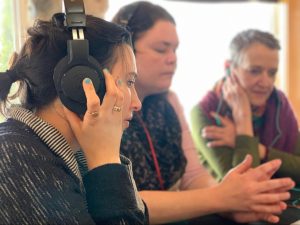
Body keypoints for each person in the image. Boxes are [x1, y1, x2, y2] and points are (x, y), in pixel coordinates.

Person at [75, 2, 298, 225]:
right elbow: (124, 200)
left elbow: (194, 177)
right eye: (162, 49)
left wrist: (231, 199)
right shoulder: (99, 109)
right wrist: (222, 198)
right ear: (126, 51)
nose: (173, 58)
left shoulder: (169, 101)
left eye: (175, 50)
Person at [0, 12, 148, 224]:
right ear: (82, 84)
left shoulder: (70, 154)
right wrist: (105, 161)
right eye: (130, 82)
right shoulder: (15, 158)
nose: (137, 103)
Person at [190, 29, 300, 185]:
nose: (266, 82)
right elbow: (244, 185)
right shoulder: (206, 112)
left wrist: (260, 149)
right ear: (229, 67)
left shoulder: (280, 106)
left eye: (272, 73)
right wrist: (244, 119)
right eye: (254, 71)